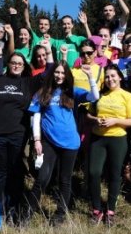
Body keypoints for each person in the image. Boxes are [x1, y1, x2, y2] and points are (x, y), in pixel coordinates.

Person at [26, 61, 100, 225]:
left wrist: (90, 77)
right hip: (49, 142)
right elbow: (36, 117)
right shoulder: (42, 93)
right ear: (52, 74)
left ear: (66, 75)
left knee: (64, 180)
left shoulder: (72, 92)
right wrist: (37, 139)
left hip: (70, 143)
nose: (59, 76)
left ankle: (60, 216)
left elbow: (95, 96)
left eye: (62, 73)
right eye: (56, 72)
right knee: (42, 178)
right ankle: (28, 213)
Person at [0, 50, 53, 219]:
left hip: (18, 134)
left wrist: (50, 51)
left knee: (15, 172)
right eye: (13, 62)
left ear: (24, 67)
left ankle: (13, 207)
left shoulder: (29, 83)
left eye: (19, 63)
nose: (16, 65)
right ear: (8, 65)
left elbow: (50, 70)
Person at [86, 64, 131, 225]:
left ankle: (110, 210)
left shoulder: (127, 96)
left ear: (120, 77)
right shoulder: (99, 95)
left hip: (118, 138)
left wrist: (115, 120)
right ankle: (96, 209)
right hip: (98, 138)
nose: (110, 79)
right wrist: (96, 120)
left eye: (113, 76)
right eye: (107, 77)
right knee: (94, 172)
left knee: (115, 174)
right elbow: (88, 113)